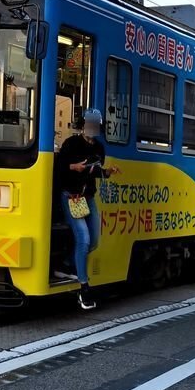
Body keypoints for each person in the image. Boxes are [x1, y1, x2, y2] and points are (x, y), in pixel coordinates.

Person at [55, 108, 118, 310]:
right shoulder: (71, 143)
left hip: (88, 197)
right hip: (71, 196)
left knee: (94, 240)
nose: (92, 128)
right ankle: (84, 288)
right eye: (89, 124)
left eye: (96, 125)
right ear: (83, 125)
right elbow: (59, 166)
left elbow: (96, 171)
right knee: (83, 238)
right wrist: (75, 167)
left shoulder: (99, 147)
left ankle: (66, 263)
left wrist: (107, 172)